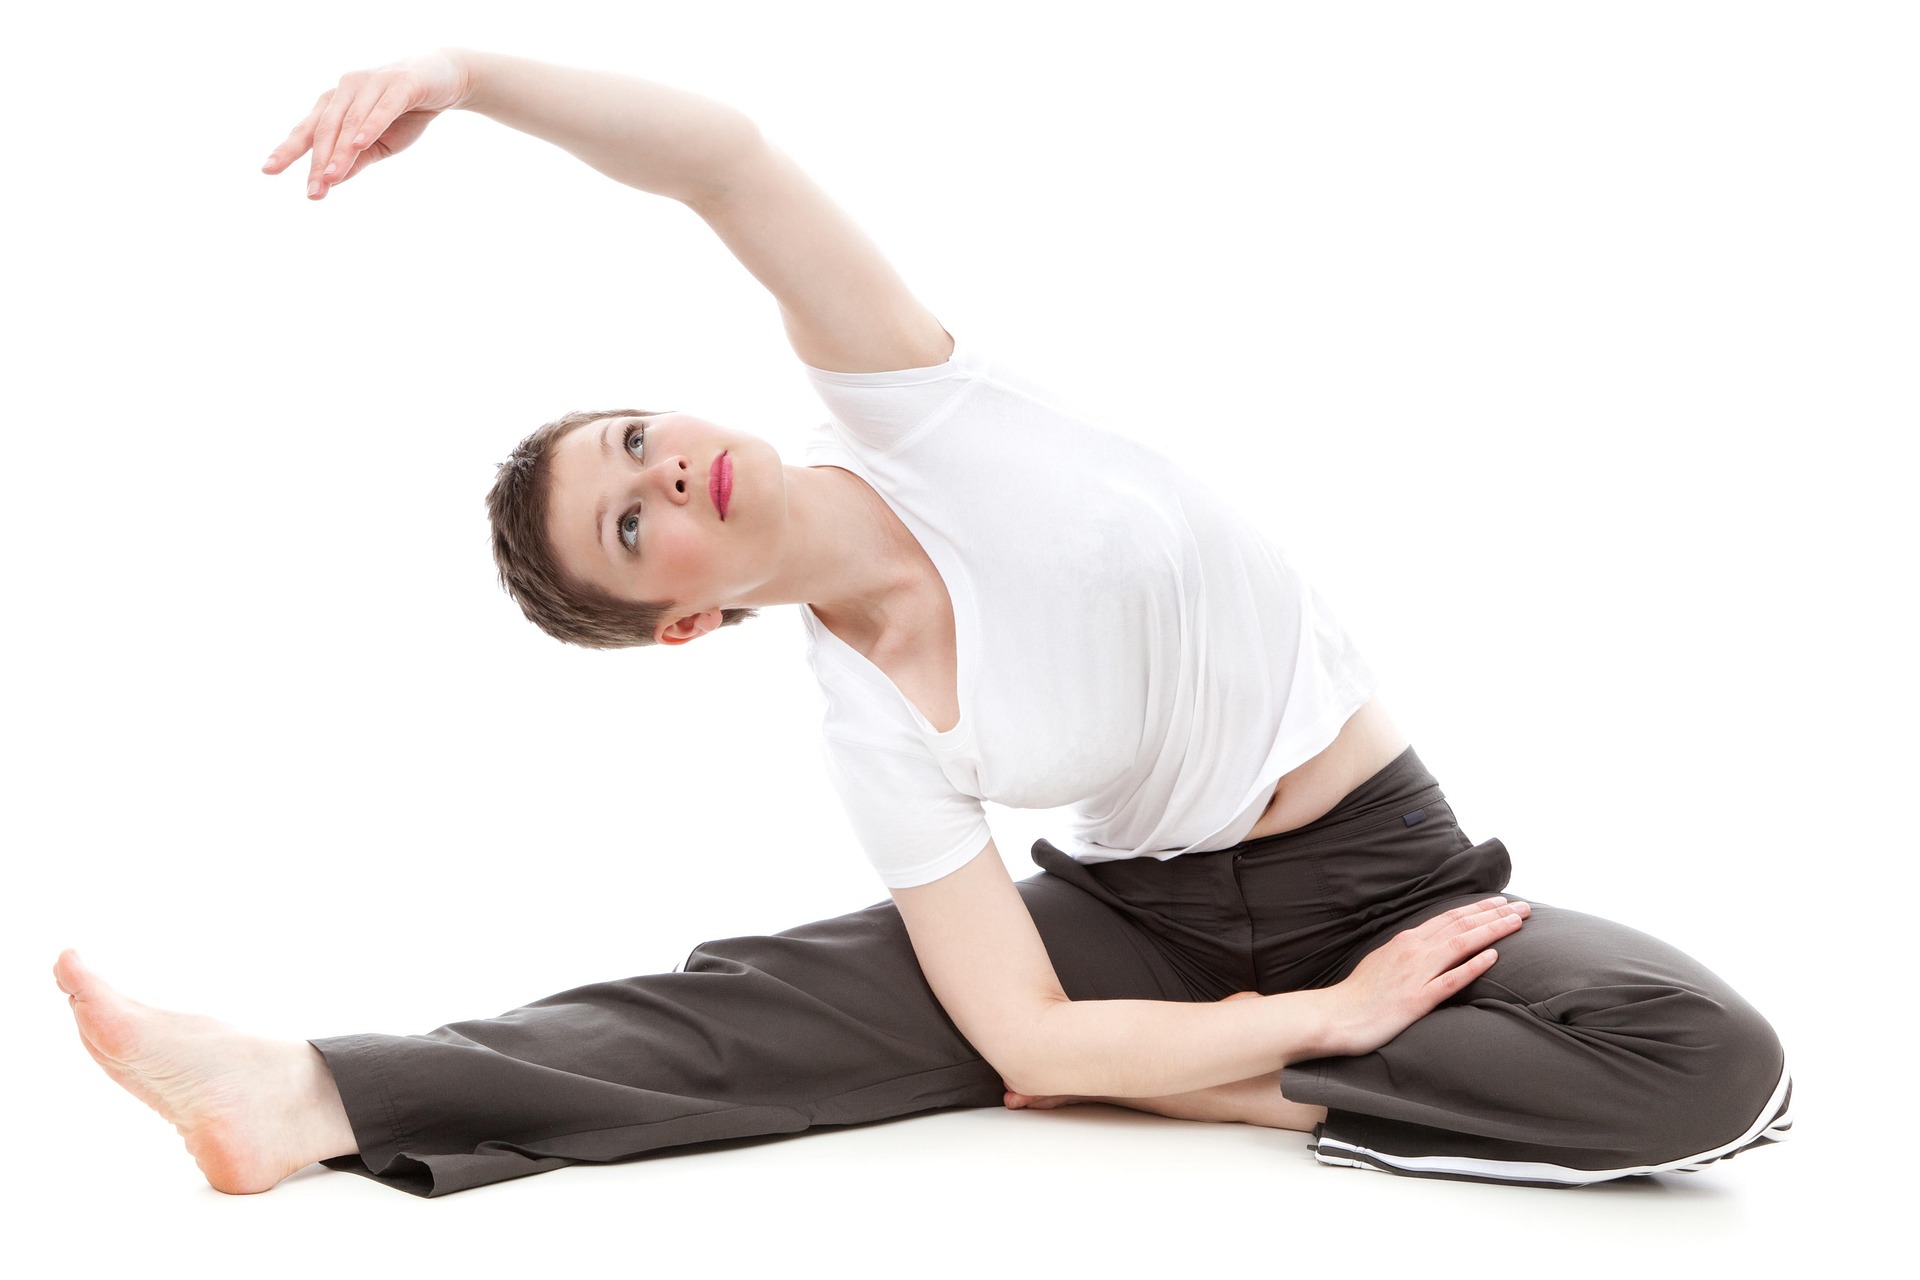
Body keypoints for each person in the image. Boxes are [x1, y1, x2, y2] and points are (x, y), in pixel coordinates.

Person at [53, 48, 1790, 1197]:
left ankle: (1208, 1094)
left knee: (1708, 1067)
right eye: (632, 520)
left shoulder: (912, 402)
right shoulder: (872, 724)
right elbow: (1035, 1037)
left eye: (643, 442)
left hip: (1387, 873)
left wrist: (470, 75)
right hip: (1156, 923)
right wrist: (1318, 1025)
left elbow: (723, 162)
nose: (670, 476)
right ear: (683, 622)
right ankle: (310, 1093)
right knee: (762, 1009)